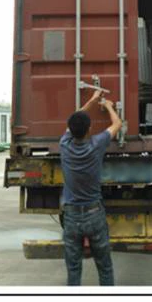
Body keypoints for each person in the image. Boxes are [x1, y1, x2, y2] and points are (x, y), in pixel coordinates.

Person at [60, 89, 122, 286]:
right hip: (94, 214)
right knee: (105, 267)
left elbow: (75, 119)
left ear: (71, 129)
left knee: (73, 269)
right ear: (89, 129)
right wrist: (109, 106)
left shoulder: (64, 144)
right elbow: (117, 124)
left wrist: (91, 101)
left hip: (71, 216)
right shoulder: (97, 144)